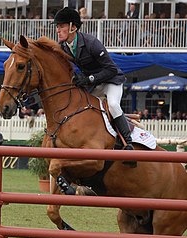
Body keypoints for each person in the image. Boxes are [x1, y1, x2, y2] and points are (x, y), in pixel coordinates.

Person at [53, 7, 136, 166]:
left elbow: (111, 69)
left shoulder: (92, 43)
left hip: (111, 80)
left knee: (112, 105)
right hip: (94, 84)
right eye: (57, 26)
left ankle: (128, 144)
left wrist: (89, 79)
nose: (58, 30)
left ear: (73, 27)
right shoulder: (63, 46)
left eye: (61, 26)